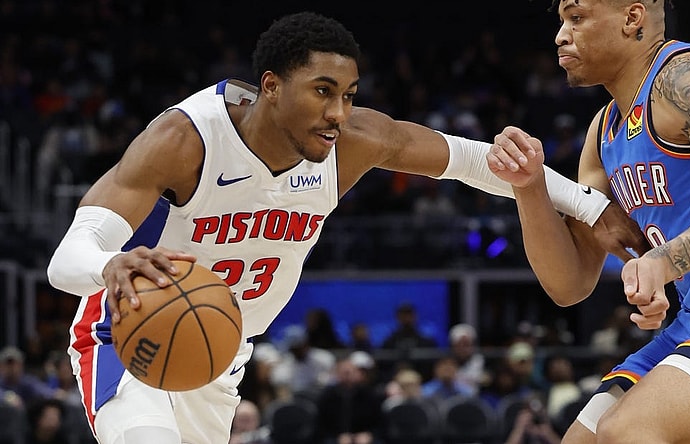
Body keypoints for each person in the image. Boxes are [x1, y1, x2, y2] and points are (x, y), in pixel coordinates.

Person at [46, 11, 647, 444]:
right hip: (129, 333)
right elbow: (66, 257)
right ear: (272, 88)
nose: (338, 113)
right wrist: (110, 263)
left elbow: (473, 160)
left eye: (349, 95)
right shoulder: (185, 140)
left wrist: (593, 209)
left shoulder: (351, 140)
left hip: (220, 351)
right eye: (323, 92)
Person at [486, 1, 690, 443]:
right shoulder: (603, 132)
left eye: (577, 17)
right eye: (561, 22)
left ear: (632, 19)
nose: (560, 36)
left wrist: (664, 262)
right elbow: (569, 284)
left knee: (630, 430)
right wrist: (529, 187)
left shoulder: (685, 75)